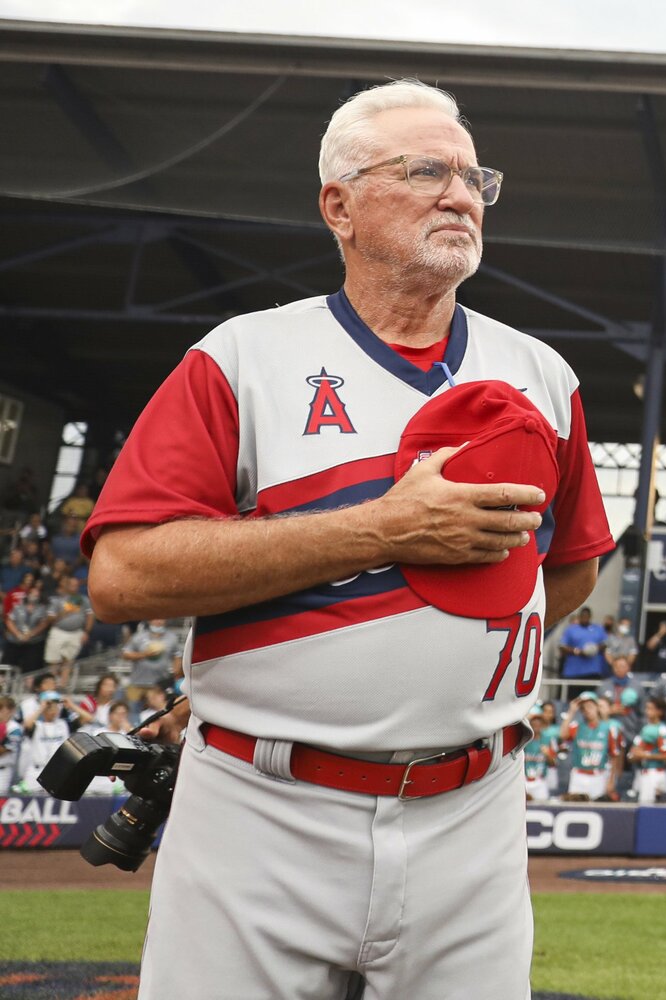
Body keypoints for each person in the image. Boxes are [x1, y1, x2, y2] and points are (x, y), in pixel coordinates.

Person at [81, 80, 611, 998]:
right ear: (340, 206)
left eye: (474, 177)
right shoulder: (241, 357)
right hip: (259, 811)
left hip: (476, 814)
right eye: (426, 171)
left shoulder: (544, 373)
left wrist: (451, 666)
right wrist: (381, 530)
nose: (460, 195)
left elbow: (571, 567)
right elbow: (121, 574)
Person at [562, 694, 625, 801]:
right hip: (579, 774)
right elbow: (563, 735)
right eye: (583, 708)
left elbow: (614, 755)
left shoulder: (609, 728)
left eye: (590, 706)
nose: (587, 710)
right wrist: (571, 711)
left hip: (598, 775)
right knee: (574, 804)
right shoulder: (577, 726)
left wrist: (611, 780)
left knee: (597, 805)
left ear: (597, 707)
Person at [628, 698, 666, 804]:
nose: (647, 711)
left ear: (659, 712)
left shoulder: (662, 730)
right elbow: (632, 755)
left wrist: (646, 755)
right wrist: (635, 755)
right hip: (643, 772)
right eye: (647, 708)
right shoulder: (645, 729)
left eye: (651, 709)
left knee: (649, 806)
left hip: (656, 772)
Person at [559, 606, 608, 681]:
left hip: (593, 671)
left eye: (586, 616)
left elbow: (605, 644)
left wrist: (595, 648)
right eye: (583, 616)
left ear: (590, 616)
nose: (585, 618)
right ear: (579, 616)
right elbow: (562, 646)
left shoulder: (598, 629)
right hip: (573, 671)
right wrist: (577, 651)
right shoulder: (571, 629)